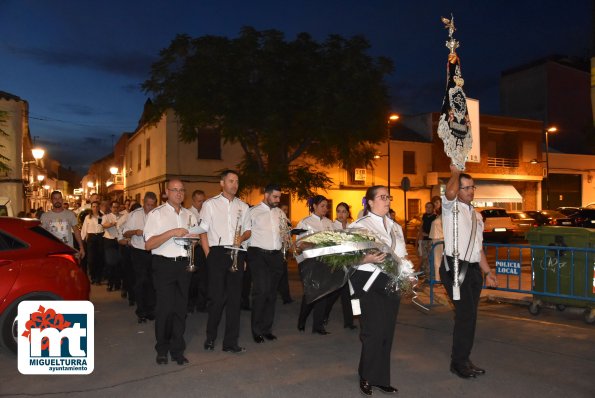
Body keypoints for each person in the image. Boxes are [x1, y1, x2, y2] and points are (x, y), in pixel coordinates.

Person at [440, 165, 498, 379]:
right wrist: (455, 172)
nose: (469, 191)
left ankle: (464, 358)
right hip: (455, 267)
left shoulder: (477, 215)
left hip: (473, 270)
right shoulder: (450, 207)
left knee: (470, 317)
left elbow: (478, 248)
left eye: (472, 187)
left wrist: (488, 271)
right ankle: (458, 363)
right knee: (465, 316)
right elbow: (449, 192)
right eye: (465, 188)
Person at [349, 185, 408, 395]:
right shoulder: (359, 226)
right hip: (368, 279)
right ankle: (366, 375)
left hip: (392, 280)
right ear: (370, 202)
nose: (387, 200)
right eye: (382, 197)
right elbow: (346, 258)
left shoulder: (395, 227)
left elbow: (402, 254)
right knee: (373, 330)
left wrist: (407, 271)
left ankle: (381, 377)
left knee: (387, 331)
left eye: (388, 197)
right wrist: (367, 258)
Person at [144, 180, 198, 366]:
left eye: (182, 190)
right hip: (164, 265)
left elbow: (194, 239)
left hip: (184, 265)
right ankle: (162, 349)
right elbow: (148, 244)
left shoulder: (190, 215)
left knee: (180, 310)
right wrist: (173, 232)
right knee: (164, 310)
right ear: (167, 192)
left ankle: (177, 350)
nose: (179, 193)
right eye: (175, 190)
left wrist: (193, 239)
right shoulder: (156, 214)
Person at [199, 170, 250, 354]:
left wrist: (242, 237)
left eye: (237, 181)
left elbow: (248, 231)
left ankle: (230, 342)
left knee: (235, 300)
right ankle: (210, 337)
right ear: (222, 183)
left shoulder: (243, 206)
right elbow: (202, 230)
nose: (235, 184)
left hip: (237, 251)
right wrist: (208, 255)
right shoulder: (210, 204)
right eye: (231, 181)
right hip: (217, 253)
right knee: (216, 299)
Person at [245, 184, 285, 343]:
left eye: (279, 197)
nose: (278, 200)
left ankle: (267, 329)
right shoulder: (253, 212)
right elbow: (245, 234)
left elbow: (284, 232)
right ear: (266, 195)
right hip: (258, 255)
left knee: (271, 294)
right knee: (261, 292)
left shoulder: (280, 212)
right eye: (275, 197)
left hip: (275, 256)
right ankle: (256, 330)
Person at [296, 195, 334, 335]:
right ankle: (302, 320)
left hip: (326, 262)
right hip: (310, 262)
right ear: (314, 206)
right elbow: (299, 245)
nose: (325, 208)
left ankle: (318, 326)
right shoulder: (304, 223)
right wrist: (317, 244)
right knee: (310, 293)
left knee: (323, 293)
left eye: (326, 206)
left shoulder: (329, 223)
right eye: (322, 206)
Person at [123, 193, 158, 322]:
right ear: (143, 202)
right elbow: (125, 232)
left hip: (154, 251)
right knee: (141, 281)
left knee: (152, 282)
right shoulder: (134, 214)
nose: (149, 208)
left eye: (152, 205)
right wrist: (135, 232)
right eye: (147, 204)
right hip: (138, 251)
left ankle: (151, 310)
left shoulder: (158, 214)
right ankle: (141, 311)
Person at [325, 202, 356, 330]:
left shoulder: (352, 227)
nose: (340, 214)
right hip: (337, 265)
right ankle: (324, 314)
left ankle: (349, 322)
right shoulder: (332, 226)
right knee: (334, 293)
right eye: (338, 211)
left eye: (343, 211)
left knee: (349, 294)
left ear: (348, 213)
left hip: (350, 265)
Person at [40, 191, 85, 259]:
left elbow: (76, 231)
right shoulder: (45, 216)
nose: (57, 200)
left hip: (67, 251)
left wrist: (81, 247)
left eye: (59, 198)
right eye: (55, 198)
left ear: (62, 200)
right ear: (51, 200)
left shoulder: (70, 214)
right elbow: (41, 234)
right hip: (52, 252)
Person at [187, 189, 208, 313]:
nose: (202, 203)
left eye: (203, 201)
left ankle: (202, 304)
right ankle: (190, 304)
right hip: (193, 248)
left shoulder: (206, 212)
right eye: (199, 201)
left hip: (204, 248)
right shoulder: (188, 213)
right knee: (192, 279)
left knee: (204, 278)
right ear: (193, 201)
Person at [102, 201, 123, 292]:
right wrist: (112, 224)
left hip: (119, 240)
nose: (116, 209)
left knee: (118, 263)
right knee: (110, 263)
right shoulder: (106, 216)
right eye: (114, 207)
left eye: (117, 207)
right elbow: (103, 225)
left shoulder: (122, 216)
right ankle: (110, 284)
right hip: (109, 240)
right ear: (111, 208)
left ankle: (117, 284)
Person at [81, 201, 104, 284]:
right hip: (91, 238)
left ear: (99, 207)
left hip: (100, 237)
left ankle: (98, 278)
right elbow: (84, 228)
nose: (95, 208)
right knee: (91, 259)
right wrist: (83, 239)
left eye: (96, 206)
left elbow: (104, 227)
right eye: (93, 206)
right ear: (91, 207)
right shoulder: (88, 217)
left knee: (99, 258)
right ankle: (92, 276)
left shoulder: (102, 217)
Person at [416, 202, 436, 280]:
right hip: (424, 240)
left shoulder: (435, 217)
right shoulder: (424, 216)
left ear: (433, 208)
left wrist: (427, 235)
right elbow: (422, 226)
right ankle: (426, 276)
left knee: (430, 258)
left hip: (431, 241)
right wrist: (419, 235)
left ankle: (431, 277)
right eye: (426, 207)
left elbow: (436, 230)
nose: (428, 208)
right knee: (424, 258)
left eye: (430, 207)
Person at [429, 196, 443, 282]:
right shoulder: (437, 214)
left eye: (437, 202)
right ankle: (438, 278)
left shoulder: (444, 214)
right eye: (434, 203)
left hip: (439, 238)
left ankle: (438, 280)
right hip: (436, 238)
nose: (436, 204)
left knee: (438, 260)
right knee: (436, 260)